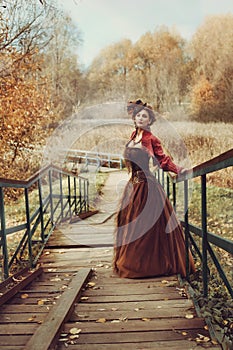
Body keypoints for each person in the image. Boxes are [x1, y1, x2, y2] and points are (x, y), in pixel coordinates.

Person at [113, 102, 196, 278]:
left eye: (145, 116)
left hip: (147, 187)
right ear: (134, 118)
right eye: (139, 116)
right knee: (132, 225)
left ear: (150, 120)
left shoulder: (152, 139)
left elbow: (163, 160)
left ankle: (148, 266)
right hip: (133, 186)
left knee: (144, 227)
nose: (141, 118)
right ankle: (134, 261)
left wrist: (180, 170)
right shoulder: (133, 135)